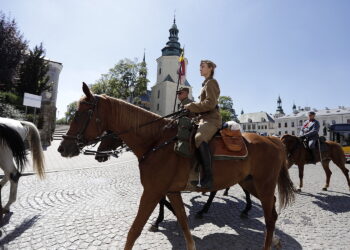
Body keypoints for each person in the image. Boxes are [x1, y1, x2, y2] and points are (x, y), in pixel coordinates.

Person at [184, 60, 222, 189]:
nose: (200, 68)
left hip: (212, 120)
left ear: (210, 68)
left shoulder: (211, 83)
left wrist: (192, 106)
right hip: (203, 119)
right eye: (200, 66)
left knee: (199, 138)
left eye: (203, 66)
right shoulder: (204, 84)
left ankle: (209, 177)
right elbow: (203, 107)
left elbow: (210, 104)